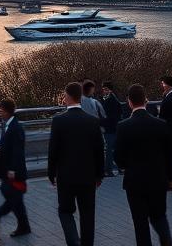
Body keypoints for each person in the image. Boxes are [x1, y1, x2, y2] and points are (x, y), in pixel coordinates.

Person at [114, 84, 172, 246]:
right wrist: (171, 178)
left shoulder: (123, 126)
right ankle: (166, 241)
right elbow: (169, 154)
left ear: (129, 102)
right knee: (159, 216)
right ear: (146, 101)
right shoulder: (161, 124)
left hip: (135, 181)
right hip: (158, 179)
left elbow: (118, 157)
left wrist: (127, 166)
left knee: (140, 223)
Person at [48, 82, 105, 246]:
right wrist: (99, 174)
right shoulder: (92, 121)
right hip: (88, 177)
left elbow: (54, 150)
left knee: (65, 211)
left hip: (66, 177)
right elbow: (98, 150)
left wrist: (51, 173)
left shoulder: (58, 121)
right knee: (88, 214)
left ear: (67, 96)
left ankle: (74, 241)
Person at [0, 99, 30, 238]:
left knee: (12, 197)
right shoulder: (7, 125)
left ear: (6, 111)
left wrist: (13, 169)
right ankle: (24, 226)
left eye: (0, 110)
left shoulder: (15, 127)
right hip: (8, 170)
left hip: (14, 172)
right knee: (15, 199)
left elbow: (18, 151)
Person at [100, 82, 123, 177]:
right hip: (112, 127)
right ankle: (115, 168)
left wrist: (102, 124)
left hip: (110, 128)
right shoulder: (112, 99)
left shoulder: (110, 100)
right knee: (112, 149)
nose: (104, 91)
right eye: (104, 89)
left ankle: (108, 170)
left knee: (110, 149)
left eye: (106, 89)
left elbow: (109, 116)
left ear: (110, 90)